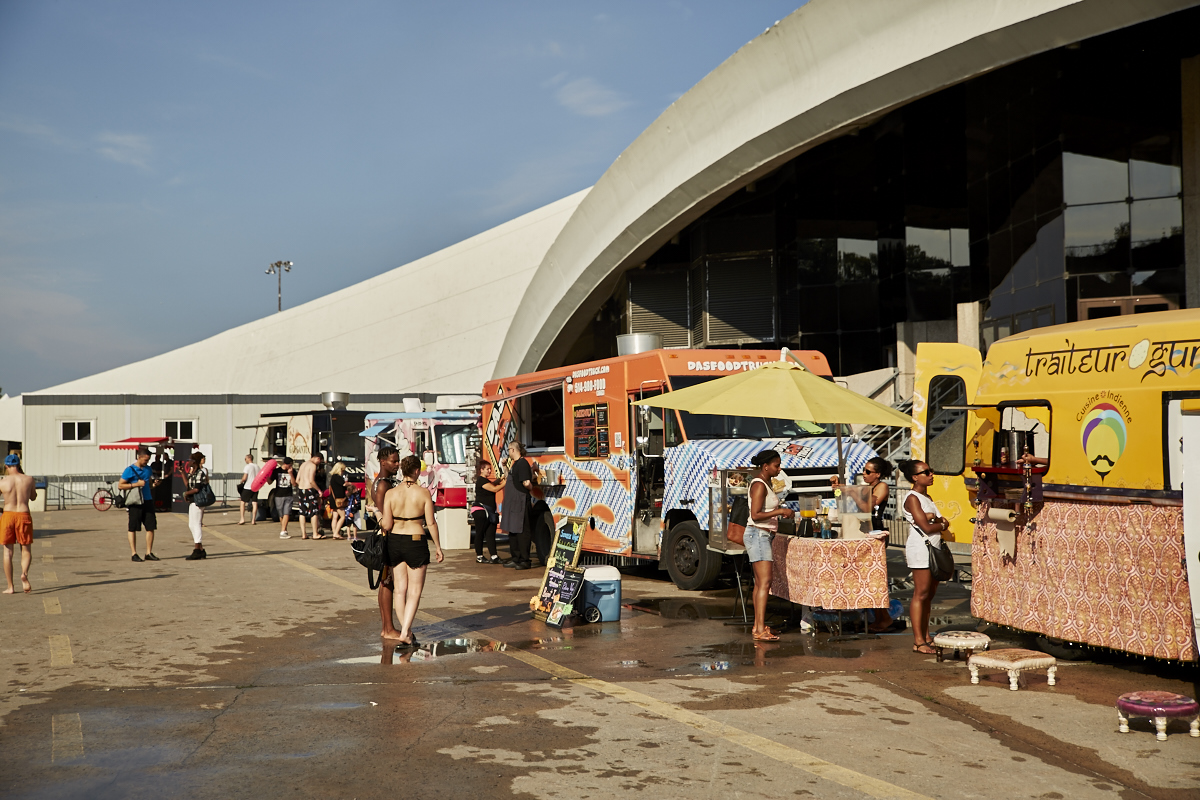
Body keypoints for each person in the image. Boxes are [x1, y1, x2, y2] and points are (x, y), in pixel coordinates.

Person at [380, 455, 444, 647]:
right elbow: (431, 522)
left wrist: (378, 515)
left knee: (400, 590)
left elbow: (387, 524)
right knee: (414, 591)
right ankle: (406, 631)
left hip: (395, 541)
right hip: (416, 541)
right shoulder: (423, 493)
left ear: (402, 471)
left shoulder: (391, 493)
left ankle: (405, 631)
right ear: (416, 471)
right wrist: (438, 547)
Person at [833, 457, 903, 633]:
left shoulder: (882, 487)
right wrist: (838, 489)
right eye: (864, 471)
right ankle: (880, 617)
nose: (864, 474)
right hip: (862, 533)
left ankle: (884, 618)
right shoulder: (865, 488)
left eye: (868, 472)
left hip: (875, 534)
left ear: (877, 474)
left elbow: (868, 507)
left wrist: (852, 491)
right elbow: (844, 500)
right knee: (868, 578)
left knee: (875, 577)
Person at [899, 459, 949, 655]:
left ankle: (926, 636)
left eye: (931, 470)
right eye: (926, 472)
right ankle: (918, 641)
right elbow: (927, 527)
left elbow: (933, 520)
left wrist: (937, 521)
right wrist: (943, 525)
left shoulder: (926, 497)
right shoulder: (912, 498)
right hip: (920, 548)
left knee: (928, 595)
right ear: (914, 477)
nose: (931, 475)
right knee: (920, 594)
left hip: (932, 549)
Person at [745, 449, 795, 641]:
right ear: (765, 466)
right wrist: (780, 511)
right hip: (758, 534)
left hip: (762, 535)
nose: (779, 468)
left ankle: (759, 625)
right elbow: (756, 514)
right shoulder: (758, 485)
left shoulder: (766, 483)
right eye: (776, 465)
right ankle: (759, 629)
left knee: (761, 583)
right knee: (765, 582)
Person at [371, 446, 403, 638]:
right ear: (383, 462)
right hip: (388, 538)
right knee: (387, 582)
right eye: (394, 461)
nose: (397, 464)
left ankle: (387, 627)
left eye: (398, 461)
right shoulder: (383, 484)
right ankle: (388, 628)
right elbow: (385, 518)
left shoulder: (380, 482)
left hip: (386, 538)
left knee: (386, 583)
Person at [1, 455, 37, 594]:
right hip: (23, 514)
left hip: (8, 515)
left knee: (7, 552)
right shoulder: (29, 479)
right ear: (18, 464)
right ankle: (24, 574)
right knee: (26, 549)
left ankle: (10, 586)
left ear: (6, 466)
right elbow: (33, 497)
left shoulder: (3, 481)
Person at [118, 446, 159, 562]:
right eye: (145, 460)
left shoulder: (148, 469)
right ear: (139, 457)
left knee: (151, 527)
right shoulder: (129, 470)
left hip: (148, 500)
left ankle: (148, 552)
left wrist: (154, 484)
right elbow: (120, 485)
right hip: (135, 502)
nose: (147, 462)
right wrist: (135, 484)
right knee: (133, 528)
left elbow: (149, 484)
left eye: (148, 460)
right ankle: (134, 553)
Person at [499, 441, 535, 570]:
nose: (508, 452)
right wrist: (504, 466)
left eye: (508, 450)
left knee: (522, 532)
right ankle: (516, 558)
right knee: (513, 531)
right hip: (513, 503)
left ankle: (525, 560)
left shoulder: (523, 463)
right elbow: (510, 478)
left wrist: (531, 488)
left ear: (513, 450)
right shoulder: (515, 464)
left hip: (520, 502)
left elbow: (526, 483)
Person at [471, 460, 502, 564]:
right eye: (487, 469)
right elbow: (494, 489)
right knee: (480, 533)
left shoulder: (486, 481)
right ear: (481, 470)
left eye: (490, 469)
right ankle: (479, 556)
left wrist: (500, 479)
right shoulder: (481, 480)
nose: (490, 471)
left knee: (490, 533)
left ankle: (494, 556)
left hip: (490, 512)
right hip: (481, 511)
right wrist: (505, 483)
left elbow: (492, 484)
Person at [182, 451, 209, 561]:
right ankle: (201, 550)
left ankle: (197, 549)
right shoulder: (193, 472)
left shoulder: (200, 473)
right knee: (191, 524)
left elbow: (197, 488)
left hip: (198, 501)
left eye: (190, 460)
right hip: (193, 501)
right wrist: (182, 473)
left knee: (196, 524)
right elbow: (188, 485)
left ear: (194, 462)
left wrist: (186, 493)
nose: (188, 462)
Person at [296, 453, 325, 539]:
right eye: (320, 462)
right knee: (314, 512)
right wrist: (319, 490)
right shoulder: (312, 466)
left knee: (302, 512)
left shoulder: (303, 464)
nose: (319, 464)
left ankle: (303, 534)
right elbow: (311, 481)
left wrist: (302, 485)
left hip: (301, 489)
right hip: (309, 489)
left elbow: (297, 480)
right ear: (318, 458)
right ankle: (315, 534)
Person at [274, 457, 296, 539]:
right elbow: (269, 482)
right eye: (289, 465)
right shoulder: (277, 471)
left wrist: (291, 474)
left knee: (287, 512)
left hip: (288, 494)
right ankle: (284, 530)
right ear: (285, 464)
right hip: (278, 495)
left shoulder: (292, 471)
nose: (290, 466)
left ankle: (283, 531)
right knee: (281, 514)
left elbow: (294, 484)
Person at [328, 462, 349, 539]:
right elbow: (344, 484)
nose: (343, 471)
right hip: (339, 500)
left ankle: (334, 532)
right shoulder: (338, 477)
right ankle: (336, 533)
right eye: (343, 470)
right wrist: (350, 484)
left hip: (333, 499)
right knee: (343, 516)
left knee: (335, 517)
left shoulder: (332, 477)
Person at [239, 454, 259, 525]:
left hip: (248, 486)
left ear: (248, 458)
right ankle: (253, 519)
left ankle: (242, 519)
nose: (245, 460)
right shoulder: (257, 466)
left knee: (242, 502)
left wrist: (241, 482)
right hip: (256, 486)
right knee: (254, 502)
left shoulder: (247, 467)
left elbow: (244, 477)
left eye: (245, 459)